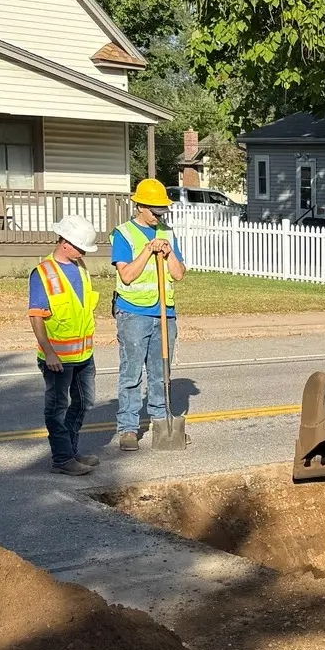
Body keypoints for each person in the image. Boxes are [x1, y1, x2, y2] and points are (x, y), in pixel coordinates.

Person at [111, 177, 187, 451]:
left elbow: (178, 275)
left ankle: (161, 424)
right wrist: (146, 251)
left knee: (160, 372)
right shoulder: (123, 234)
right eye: (155, 210)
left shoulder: (167, 233)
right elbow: (127, 275)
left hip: (164, 314)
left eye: (163, 210)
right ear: (139, 206)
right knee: (131, 374)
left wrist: (169, 255)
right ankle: (128, 428)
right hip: (133, 314)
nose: (159, 215)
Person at [28, 216, 101, 476]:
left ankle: (70, 450)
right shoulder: (44, 273)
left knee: (84, 403)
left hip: (83, 354)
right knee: (58, 408)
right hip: (57, 357)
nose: (83, 253)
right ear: (65, 242)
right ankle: (62, 458)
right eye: (81, 247)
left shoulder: (80, 267)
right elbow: (36, 315)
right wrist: (48, 352)